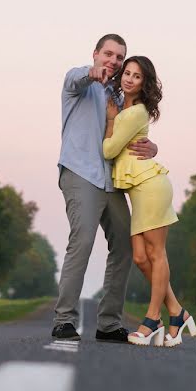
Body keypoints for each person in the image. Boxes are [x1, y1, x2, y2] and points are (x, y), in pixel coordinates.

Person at [52, 34, 158, 343]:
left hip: (110, 180)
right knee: (82, 241)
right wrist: (91, 72)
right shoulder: (79, 84)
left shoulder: (120, 95)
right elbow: (74, 76)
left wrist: (151, 145)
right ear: (96, 54)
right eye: (107, 54)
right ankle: (64, 320)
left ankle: (109, 323)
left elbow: (132, 129)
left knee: (126, 244)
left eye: (118, 57)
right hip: (80, 172)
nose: (112, 61)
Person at [102, 56, 196, 347]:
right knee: (141, 258)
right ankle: (177, 312)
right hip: (141, 189)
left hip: (150, 187)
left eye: (137, 76)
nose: (130, 79)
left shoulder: (132, 113)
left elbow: (108, 150)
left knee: (156, 255)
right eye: (127, 73)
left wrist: (109, 119)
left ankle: (152, 320)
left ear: (145, 84)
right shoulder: (127, 108)